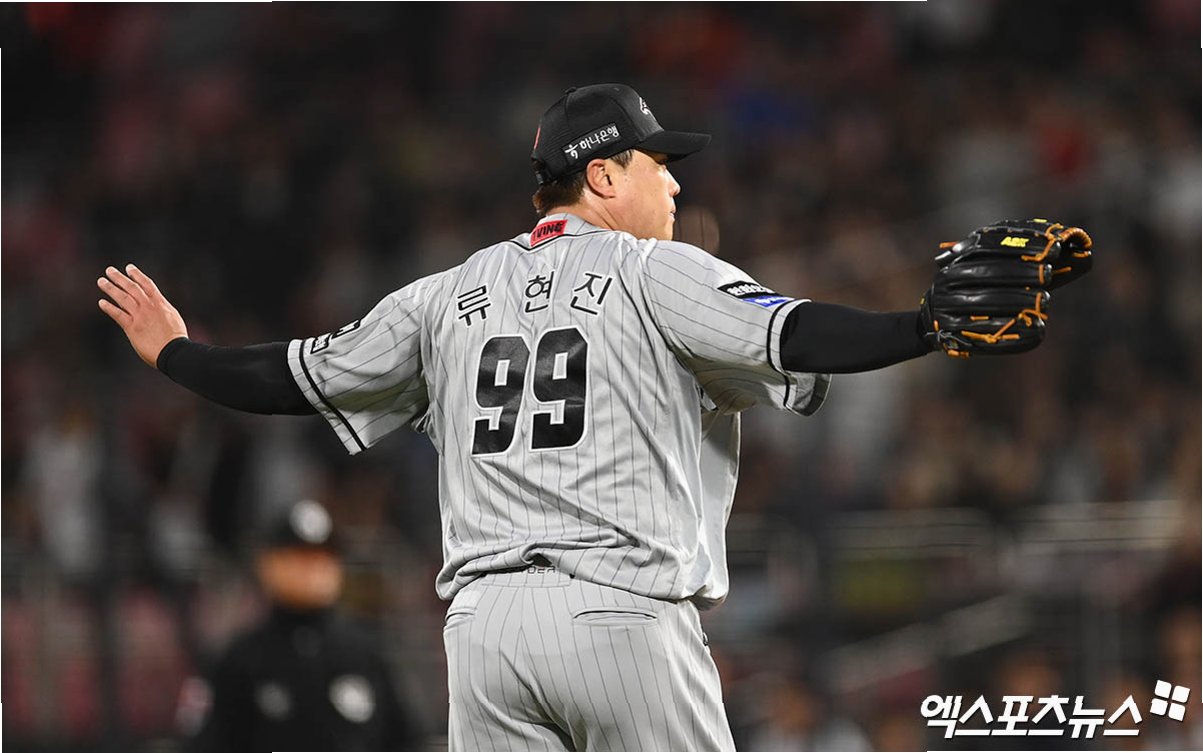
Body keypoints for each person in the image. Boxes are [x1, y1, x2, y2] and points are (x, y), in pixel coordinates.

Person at [99, 83, 1090, 751]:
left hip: (482, 635)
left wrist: (178, 355)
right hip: (622, 614)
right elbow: (794, 333)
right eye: (659, 162)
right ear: (604, 175)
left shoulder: (443, 296)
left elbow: (291, 376)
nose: (676, 179)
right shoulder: (653, 270)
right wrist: (922, 325)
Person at [177, 498, 421, 753]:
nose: (311, 570)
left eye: (320, 558)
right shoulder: (242, 661)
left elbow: (405, 741)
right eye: (298, 558)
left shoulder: (364, 655)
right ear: (268, 564)